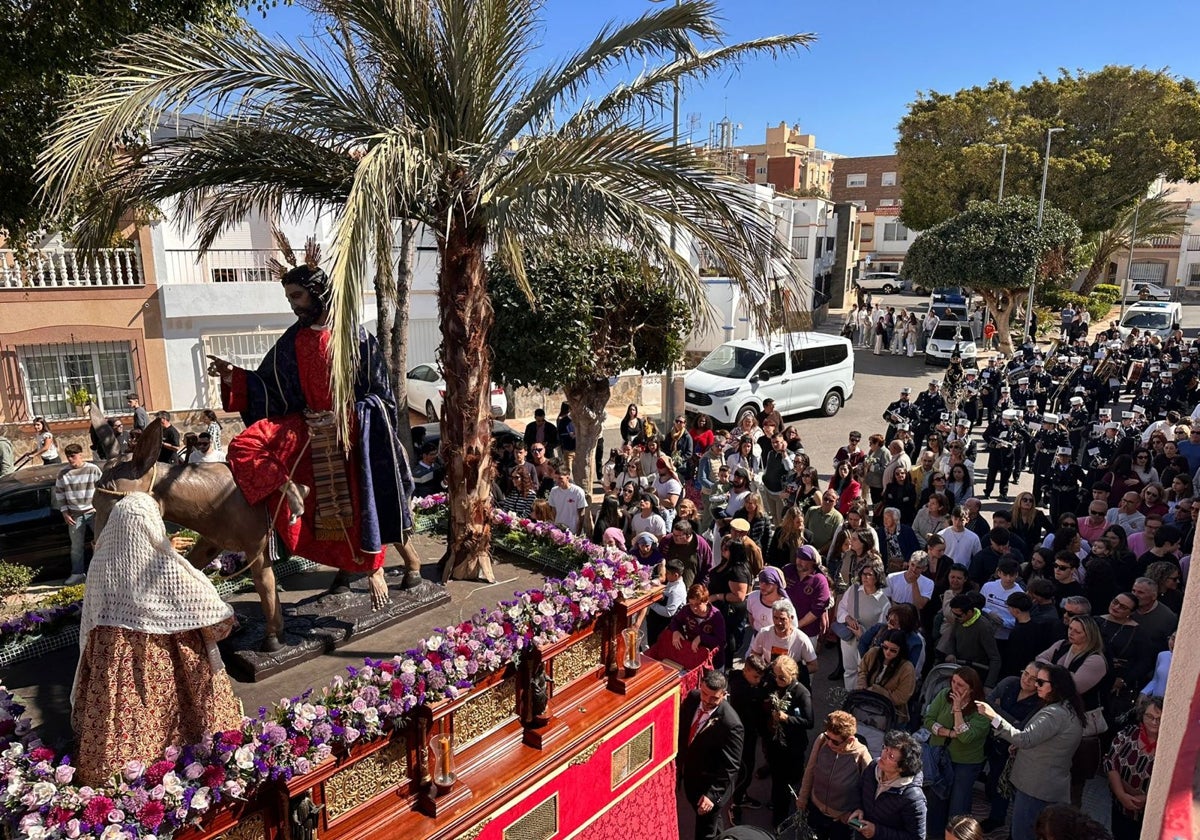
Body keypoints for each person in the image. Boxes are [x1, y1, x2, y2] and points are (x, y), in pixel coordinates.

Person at [207, 263, 421, 594]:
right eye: (289, 298)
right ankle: (294, 495)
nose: (293, 305)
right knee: (248, 446)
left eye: (297, 296)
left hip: (354, 434)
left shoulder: (356, 340)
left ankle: (407, 563)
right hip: (307, 429)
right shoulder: (293, 339)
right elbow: (268, 385)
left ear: (317, 292)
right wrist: (233, 376)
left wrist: (344, 417)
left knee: (367, 504)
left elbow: (382, 397)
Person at [72, 492, 242, 786]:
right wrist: (225, 619)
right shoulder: (161, 565)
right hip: (166, 662)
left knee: (123, 719)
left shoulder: (100, 563)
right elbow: (207, 608)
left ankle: (122, 780)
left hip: (113, 662)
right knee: (183, 723)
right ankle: (190, 770)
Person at [974, 663, 1085, 840]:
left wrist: (992, 716)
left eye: (1040, 682)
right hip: (1044, 783)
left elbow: (1023, 738)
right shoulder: (1065, 708)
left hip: (1036, 786)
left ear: (1055, 686)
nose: (1035, 685)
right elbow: (1040, 740)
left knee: (1023, 833)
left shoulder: (1054, 713)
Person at [922, 667, 991, 837]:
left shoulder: (982, 710)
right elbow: (928, 720)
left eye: (960, 685)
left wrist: (958, 709)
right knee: (936, 801)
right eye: (953, 682)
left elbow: (965, 736)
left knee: (958, 806)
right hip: (940, 756)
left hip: (965, 763)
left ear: (972, 689)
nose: (954, 687)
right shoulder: (944, 695)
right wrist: (948, 733)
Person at [678, 670, 744, 840]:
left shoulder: (731, 724)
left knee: (704, 831)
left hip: (709, 786)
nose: (707, 701)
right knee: (712, 821)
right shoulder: (693, 698)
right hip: (691, 777)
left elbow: (731, 766)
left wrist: (712, 796)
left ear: (724, 694)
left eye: (714, 698)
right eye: (704, 694)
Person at [982, 662, 1045, 832]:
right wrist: (1004, 717)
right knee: (991, 778)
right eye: (1025, 674)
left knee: (1003, 783)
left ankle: (997, 818)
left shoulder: (1039, 703)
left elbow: (1021, 728)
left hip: (1012, 746)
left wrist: (995, 712)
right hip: (990, 737)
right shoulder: (1009, 682)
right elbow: (987, 703)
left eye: (1033, 679)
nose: (1026, 680)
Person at [796, 710, 871, 840]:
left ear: (850, 739)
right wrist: (803, 797)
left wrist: (852, 814)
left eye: (835, 742)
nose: (829, 743)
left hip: (842, 821)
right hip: (816, 811)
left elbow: (869, 791)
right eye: (828, 737)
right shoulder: (822, 740)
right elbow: (810, 770)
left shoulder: (861, 755)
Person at [761, 655, 813, 827]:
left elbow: (809, 722)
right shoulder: (775, 685)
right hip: (776, 743)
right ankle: (778, 807)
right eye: (775, 676)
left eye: (782, 678)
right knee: (779, 780)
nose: (777, 680)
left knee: (788, 779)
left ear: (793, 675)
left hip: (792, 745)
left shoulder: (802, 693)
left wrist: (787, 719)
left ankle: (782, 814)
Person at [846, 730, 927, 840]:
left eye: (891, 756)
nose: (883, 755)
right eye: (885, 748)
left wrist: (877, 831)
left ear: (902, 767)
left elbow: (916, 837)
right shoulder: (873, 767)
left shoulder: (913, 798)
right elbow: (859, 789)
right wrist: (857, 808)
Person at [1103, 695, 1161, 840]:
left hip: (1150, 815)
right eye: (1149, 716)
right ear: (1142, 715)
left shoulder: (1169, 745)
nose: (1154, 722)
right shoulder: (1128, 733)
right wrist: (1121, 794)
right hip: (1120, 807)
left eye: (1159, 719)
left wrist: (1148, 799)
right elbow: (1110, 761)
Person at [835, 558, 890, 692]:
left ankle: (859, 698)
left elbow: (882, 629)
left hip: (867, 643)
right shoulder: (853, 590)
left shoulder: (884, 602)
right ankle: (849, 696)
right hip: (849, 638)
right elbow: (841, 608)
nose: (865, 577)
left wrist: (863, 635)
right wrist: (847, 618)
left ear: (877, 577)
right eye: (863, 574)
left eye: (869, 574)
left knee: (863, 672)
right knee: (849, 669)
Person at [647, 583, 725, 670]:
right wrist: (676, 631)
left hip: (713, 662)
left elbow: (721, 641)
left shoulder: (716, 617)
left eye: (698, 604)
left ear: (706, 601)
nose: (694, 608)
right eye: (691, 604)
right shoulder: (686, 610)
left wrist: (701, 638)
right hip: (693, 657)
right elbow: (675, 621)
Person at [54, 443, 102, 586]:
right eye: (68, 456)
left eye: (73, 456)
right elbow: (59, 493)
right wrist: (64, 512)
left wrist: (101, 509)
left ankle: (102, 572)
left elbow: (103, 489)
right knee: (76, 547)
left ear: (81, 455)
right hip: (75, 515)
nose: (70, 459)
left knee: (101, 543)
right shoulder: (63, 473)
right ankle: (77, 574)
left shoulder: (93, 469)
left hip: (93, 513)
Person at [856, 628, 918, 724]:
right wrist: (862, 687)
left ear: (900, 650)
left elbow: (901, 697)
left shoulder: (907, 668)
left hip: (891, 713)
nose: (888, 652)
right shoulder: (873, 653)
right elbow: (862, 670)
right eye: (885, 647)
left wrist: (877, 691)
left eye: (893, 650)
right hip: (865, 704)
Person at [547, 465, 589, 533]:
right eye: (556, 478)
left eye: (560, 478)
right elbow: (553, 511)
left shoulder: (578, 491)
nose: (557, 481)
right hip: (558, 529)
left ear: (567, 477)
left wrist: (578, 531)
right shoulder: (553, 491)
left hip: (573, 530)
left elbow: (581, 513)